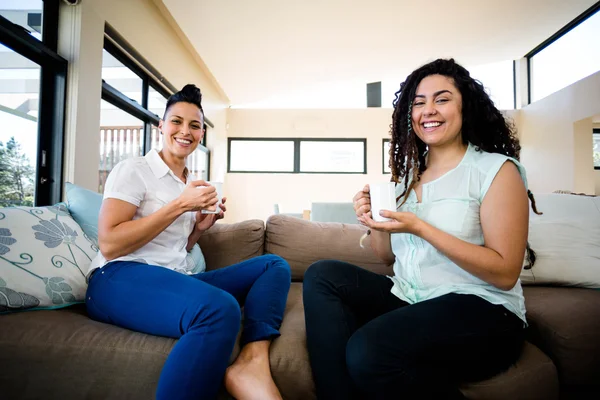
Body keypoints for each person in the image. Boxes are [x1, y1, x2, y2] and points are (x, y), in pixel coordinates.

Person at [303, 58, 542, 400]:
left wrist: (420, 227)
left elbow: (505, 272)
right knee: (323, 274)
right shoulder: (407, 179)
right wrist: (375, 223)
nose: (428, 110)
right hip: (412, 299)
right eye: (418, 103)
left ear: (466, 107)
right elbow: (386, 258)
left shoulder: (495, 171)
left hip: (484, 310)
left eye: (442, 99)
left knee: (367, 349)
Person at [86, 84, 291, 400]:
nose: (185, 131)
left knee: (272, 265)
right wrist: (180, 206)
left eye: (194, 125)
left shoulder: (187, 183)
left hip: (171, 276)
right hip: (116, 278)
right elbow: (110, 243)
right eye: (176, 122)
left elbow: (173, 250)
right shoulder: (134, 170)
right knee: (220, 309)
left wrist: (198, 229)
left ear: (201, 135)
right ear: (161, 127)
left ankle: (252, 360)